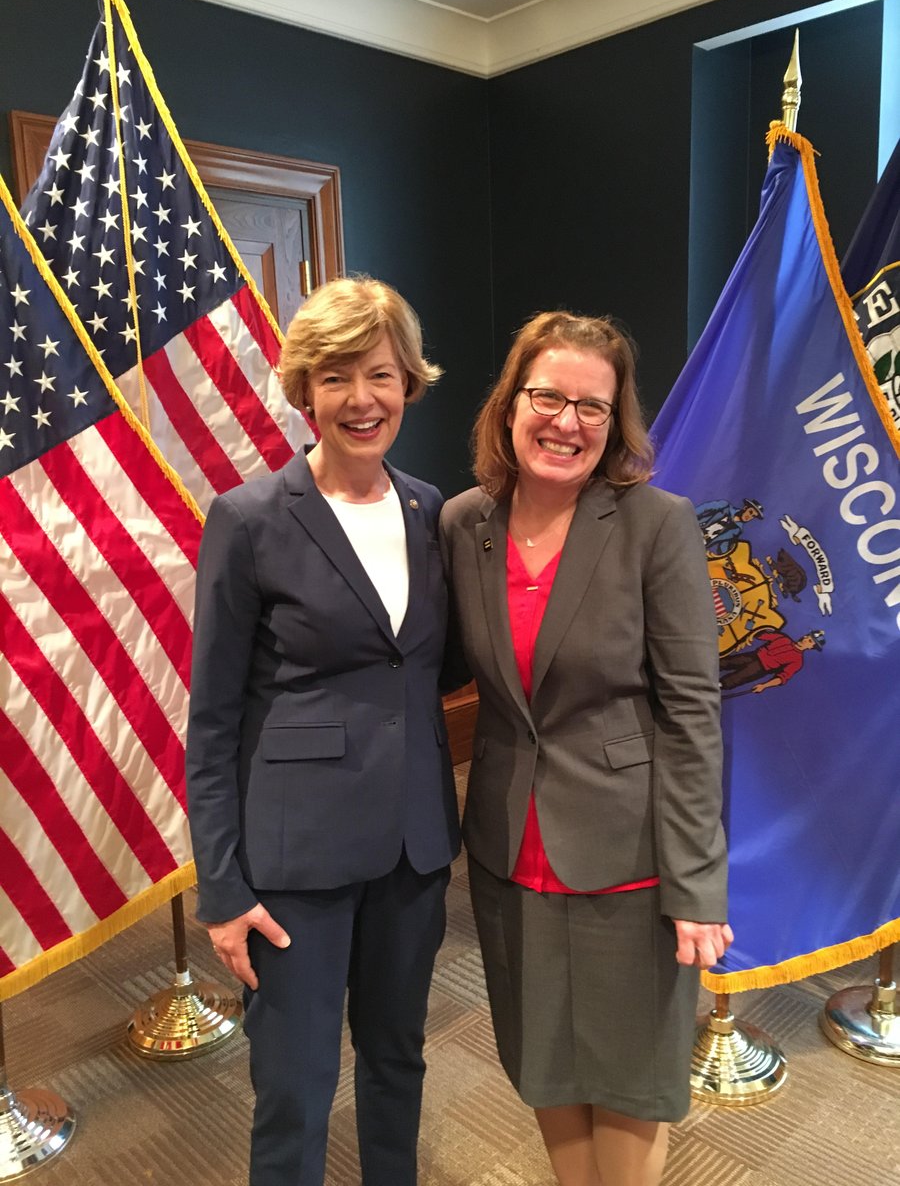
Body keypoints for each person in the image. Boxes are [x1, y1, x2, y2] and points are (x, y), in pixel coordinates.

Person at [440, 311, 732, 1186]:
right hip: (506, 850)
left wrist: (695, 883)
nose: (567, 422)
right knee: (546, 1065)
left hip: (630, 855)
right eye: (548, 397)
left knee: (631, 1081)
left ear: (615, 423)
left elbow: (691, 713)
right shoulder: (464, 524)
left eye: (592, 408)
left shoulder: (655, 524)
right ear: (509, 404)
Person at [185, 276, 460, 1186]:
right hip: (292, 864)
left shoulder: (433, 512)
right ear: (304, 390)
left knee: (398, 1062)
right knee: (296, 1090)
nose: (360, 399)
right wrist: (221, 888)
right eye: (335, 377)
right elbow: (214, 720)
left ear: (409, 384)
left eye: (380, 375)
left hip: (413, 850)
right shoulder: (250, 519)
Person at [719, 627, 825, 693]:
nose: (805, 639)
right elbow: (759, 634)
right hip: (751, 656)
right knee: (723, 663)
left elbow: (782, 678)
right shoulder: (783, 638)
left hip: (759, 669)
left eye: (810, 640)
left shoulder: (798, 661)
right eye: (807, 636)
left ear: (811, 647)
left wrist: (764, 686)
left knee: (732, 680)